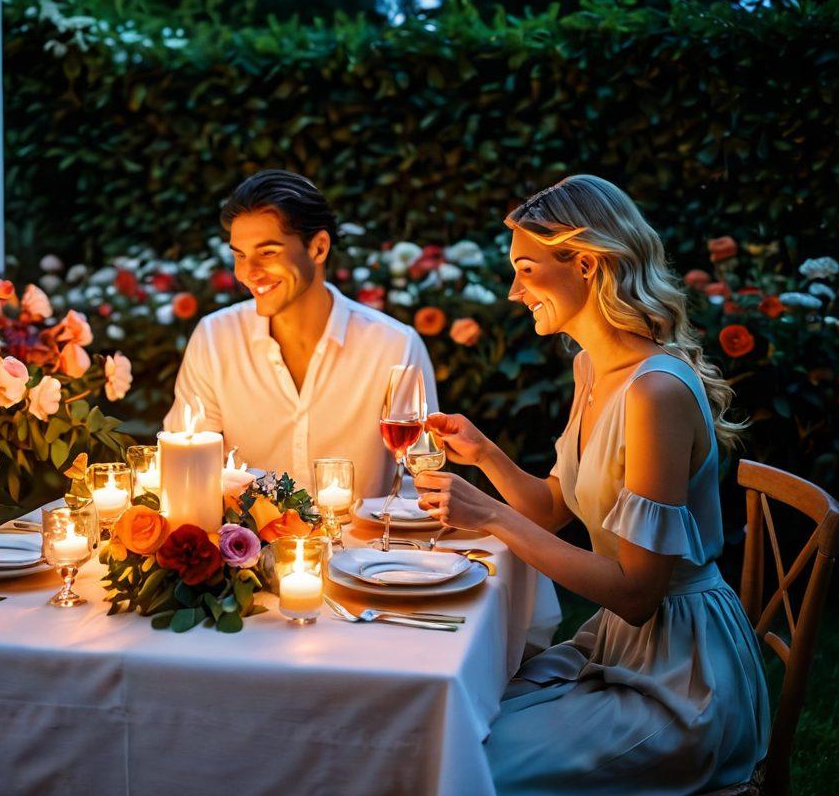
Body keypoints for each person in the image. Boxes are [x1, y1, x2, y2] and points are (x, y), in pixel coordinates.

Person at [416, 175, 769, 794]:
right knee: (441, 732)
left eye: (526, 269)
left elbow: (638, 593)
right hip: (619, 649)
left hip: (682, 681)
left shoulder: (655, 392)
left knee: (465, 770)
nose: (513, 290)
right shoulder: (593, 367)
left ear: (584, 263)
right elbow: (554, 507)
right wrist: (486, 455)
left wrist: (493, 519)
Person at [165, 170, 438, 499]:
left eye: (267, 253)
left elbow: (421, 483)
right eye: (239, 255)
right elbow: (185, 466)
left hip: (366, 548)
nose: (247, 272)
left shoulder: (394, 347)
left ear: (318, 248)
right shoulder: (215, 338)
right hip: (254, 547)